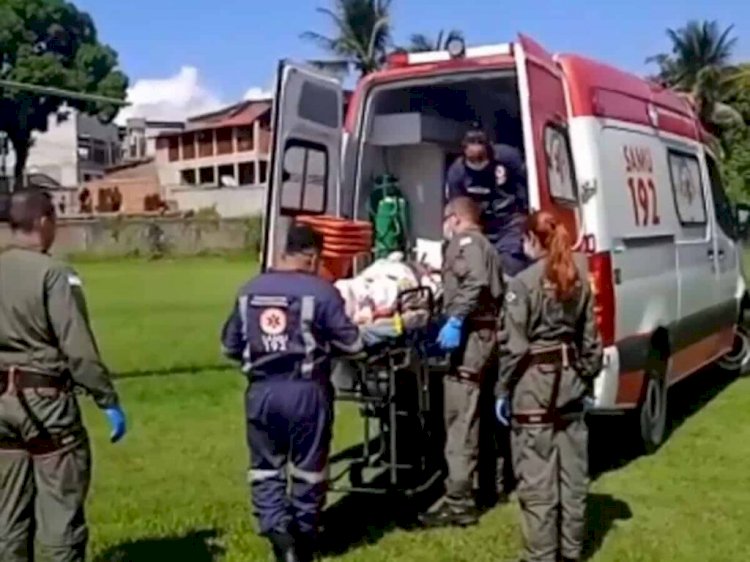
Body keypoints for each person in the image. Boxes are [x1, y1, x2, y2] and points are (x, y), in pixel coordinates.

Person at [221, 224, 365, 562]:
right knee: (308, 468)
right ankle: (304, 535)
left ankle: (277, 533)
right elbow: (353, 343)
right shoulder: (322, 292)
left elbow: (229, 346)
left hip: (261, 392)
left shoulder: (248, 290)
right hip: (306, 392)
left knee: (265, 468)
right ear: (313, 257)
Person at [0, 189, 127, 562]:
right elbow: (78, 349)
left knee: (8, 516)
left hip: (1, 407)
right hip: (46, 406)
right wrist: (107, 399)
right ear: (43, 222)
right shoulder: (54, 274)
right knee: (61, 516)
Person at [496, 211, 603, 562]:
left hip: (534, 389)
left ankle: (540, 555)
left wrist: (502, 389)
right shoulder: (577, 278)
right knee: (572, 479)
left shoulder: (522, 284)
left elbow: (514, 346)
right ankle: (571, 552)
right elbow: (591, 342)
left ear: (531, 241)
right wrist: (585, 377)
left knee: (537, 480)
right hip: (570, 384)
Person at [419, 196, 505, 528]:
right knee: (482, 415)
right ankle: (490, 484)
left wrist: (454, 318)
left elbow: (476, 282)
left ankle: (458, 501)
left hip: (472, 339)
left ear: (455, 218)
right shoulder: (486, 244)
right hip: (487, 337)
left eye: (446, 220)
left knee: (459, 419)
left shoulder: (465, 242)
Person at [445, 130, 529, 276]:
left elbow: (527, 185)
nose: (478, 163)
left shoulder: (508, 157)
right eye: (473, 160)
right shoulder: (457, 172)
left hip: (511, 221)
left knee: (511, 266)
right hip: (481, 225)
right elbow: (458, 206)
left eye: (481, 158)